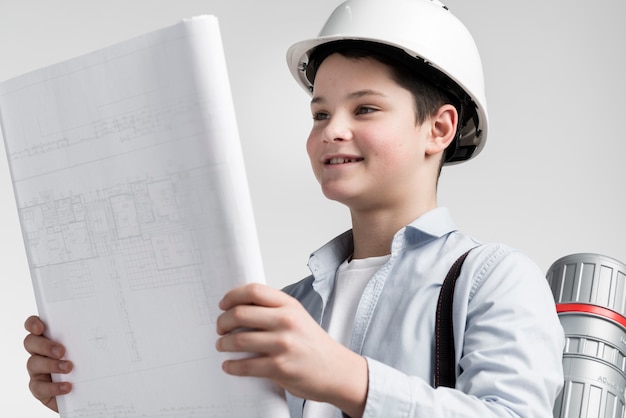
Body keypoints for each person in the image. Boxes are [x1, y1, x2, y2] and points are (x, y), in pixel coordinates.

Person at [24, 0, 565, 417]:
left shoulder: (494, 279)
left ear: (439, 128)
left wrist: (351, 380)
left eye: (366, 108)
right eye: (319, 112)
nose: (333, 130)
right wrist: (90, 393)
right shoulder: (289, 308)